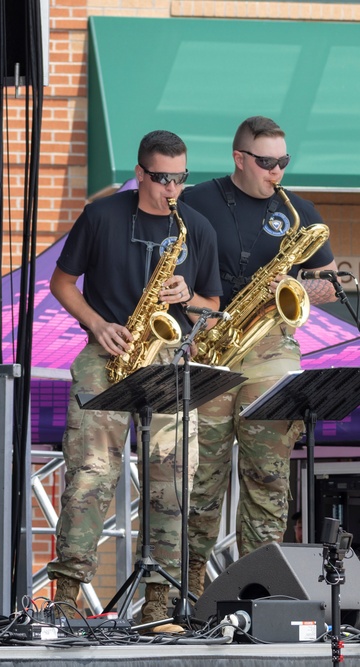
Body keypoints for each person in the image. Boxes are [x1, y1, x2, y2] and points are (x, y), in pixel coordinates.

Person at [47, 130, 222, 631]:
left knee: (171, 485)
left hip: (168, 357)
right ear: (141, 173)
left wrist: (188, 297)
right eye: (163, 178)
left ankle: (159, 606)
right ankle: (65, 596)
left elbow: (211, 307)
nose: (173, 188)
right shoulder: (103, 215)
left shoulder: (197, 228)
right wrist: (97, 323)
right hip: (108, 352)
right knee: (90, 478)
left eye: (181, 178)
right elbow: (61, 283)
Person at [181, 116, 337, 596]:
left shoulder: (299, 211)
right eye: (267, 162)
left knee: (268, 479)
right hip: (211, 339)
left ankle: (259, 594)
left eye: (283, 162)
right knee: (198, 480)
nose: (277, 173)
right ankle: (180, 601)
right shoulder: (195, 201)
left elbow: (333, 283)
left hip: (270, 345)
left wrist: (295, 286)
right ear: (240, 159)